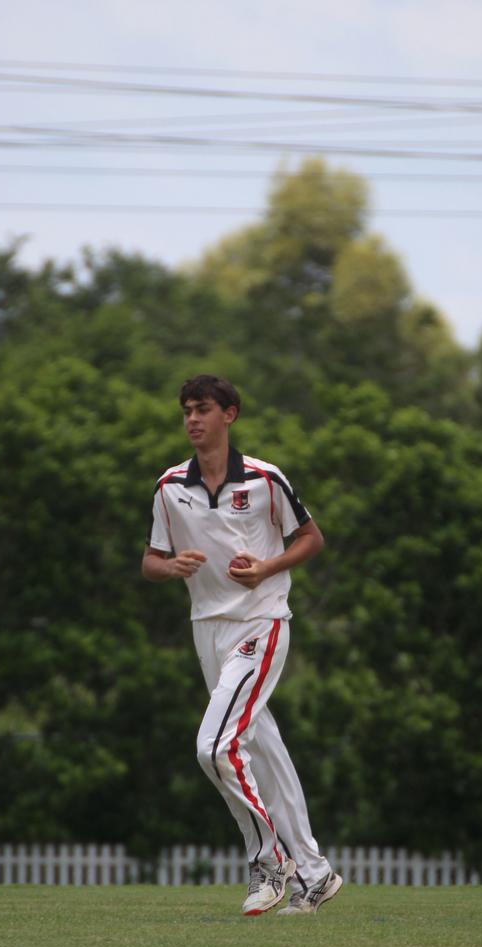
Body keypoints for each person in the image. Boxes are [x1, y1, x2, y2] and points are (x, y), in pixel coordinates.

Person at [142, 374, 342, 916]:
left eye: (202, 409)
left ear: (228, 414)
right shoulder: (169, 487)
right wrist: (171, 567)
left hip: (262, 621)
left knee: (215, 747)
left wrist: (267, 568)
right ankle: (315, 872)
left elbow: (311, 538)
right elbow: (150, 561)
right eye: (186, 410)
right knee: (259, 748)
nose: (192, 419)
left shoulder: (263, 478)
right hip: (206, 628)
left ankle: (268, 861)